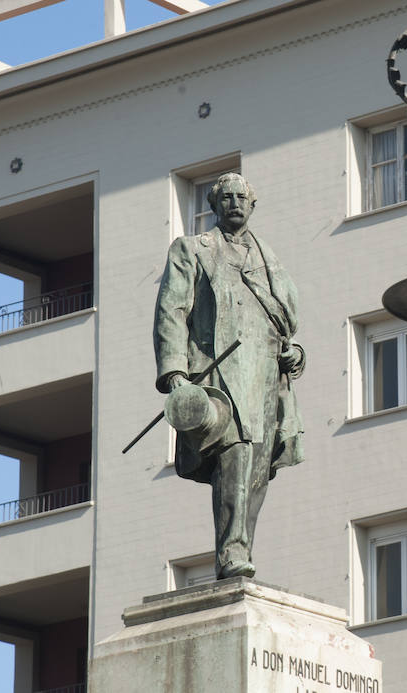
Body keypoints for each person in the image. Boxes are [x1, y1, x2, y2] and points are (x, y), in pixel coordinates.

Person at [153, 172, 305, 579]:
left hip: (267, 380)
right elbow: (171, 311)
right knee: (234, 458)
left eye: (242, 197)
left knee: (257, 469)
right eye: (227, 197)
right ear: (214, 204)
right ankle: (231, 553)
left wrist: (295, 355)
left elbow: (286, 326)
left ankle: (242, 546)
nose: (235, 202)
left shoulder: (267, 256)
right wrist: (175, 374)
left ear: (252, 205)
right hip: (219, 374)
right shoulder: (192, 250)